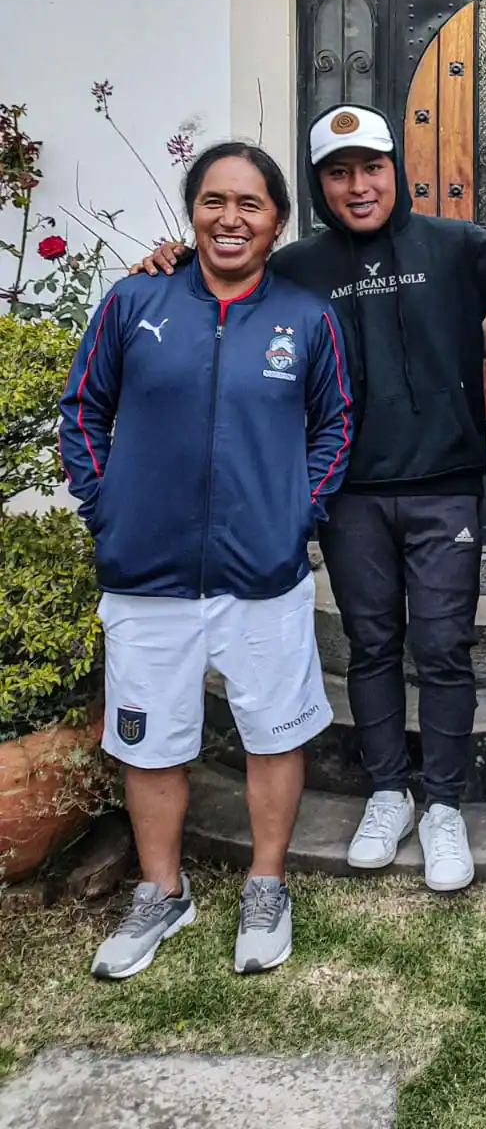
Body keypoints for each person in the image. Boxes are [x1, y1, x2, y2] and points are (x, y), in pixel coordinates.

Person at [135, 104, 486, 891]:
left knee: (443, 650)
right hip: (351, 493)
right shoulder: (298, 265)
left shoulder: (454, 245)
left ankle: (441, 805)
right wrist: (169, 263)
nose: (359, 185)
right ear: (319, 186)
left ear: (394, 169)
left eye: (371, 166)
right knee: (372, 646)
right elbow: (224, 276)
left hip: (445, 489)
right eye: (338, 173)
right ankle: (387, 792)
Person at [60, 143, 352, 980]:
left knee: (272, 729)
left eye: (250, 205)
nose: (231, 219)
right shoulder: (134, 301)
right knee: (149, 742)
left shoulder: (306, 318)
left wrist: (299, 513)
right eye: (214, 202)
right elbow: (85, 408)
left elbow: (335, 426)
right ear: (192, 214)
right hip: (145, 575)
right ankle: (162, 889)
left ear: (277, 222)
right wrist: (106, 505)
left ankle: (266, 883)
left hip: (262, 575)